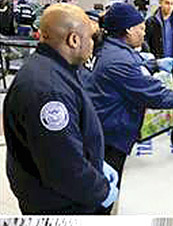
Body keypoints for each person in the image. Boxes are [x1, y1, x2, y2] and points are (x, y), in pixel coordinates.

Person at [83, 2, 173, 193]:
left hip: (108, 129)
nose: (144, 33)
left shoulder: (113, 50)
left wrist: (155, 64)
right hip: (111, 139)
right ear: (129, 30)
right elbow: (158, 96)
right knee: (107, 191)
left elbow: (134, 63)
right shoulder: (118, 60)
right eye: (141, 28)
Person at [3, 3, 119, 215]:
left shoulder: (56, 69)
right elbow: (65, 169)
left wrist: (96, 162)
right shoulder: (49, 91)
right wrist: (102, 191)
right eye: (91, 37)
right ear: (74, 40)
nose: (94, 43)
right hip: (63, 204)